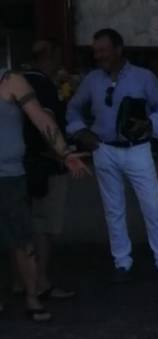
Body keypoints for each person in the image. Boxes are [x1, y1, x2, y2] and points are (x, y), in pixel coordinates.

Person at [66, 28, 158, 283]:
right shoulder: (92, 79)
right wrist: (80, 131)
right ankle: (122, 261)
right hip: (103, 149)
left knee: (151, 206)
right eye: (96, 51)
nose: (98, 56)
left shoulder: (143, 77)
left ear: (118, 49)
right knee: (113, 209)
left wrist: (150, 124)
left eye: (103, 50)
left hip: (137, 149)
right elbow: (72, 108)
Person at [0, 67, 89, 322]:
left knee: (22, 239)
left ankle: (32, 297)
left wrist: (64, 153)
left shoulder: (11, 80)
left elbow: (41, 118)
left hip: (9, 175)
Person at [18, 39, 76, 301]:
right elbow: (47, 125)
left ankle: (21, 282)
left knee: (20, 227)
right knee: (43, 227)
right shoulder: (43, 85)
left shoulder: (14, 81)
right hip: (45, 164)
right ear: (50, 57)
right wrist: (65, 155)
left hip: (17, 165)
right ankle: (40, 281)